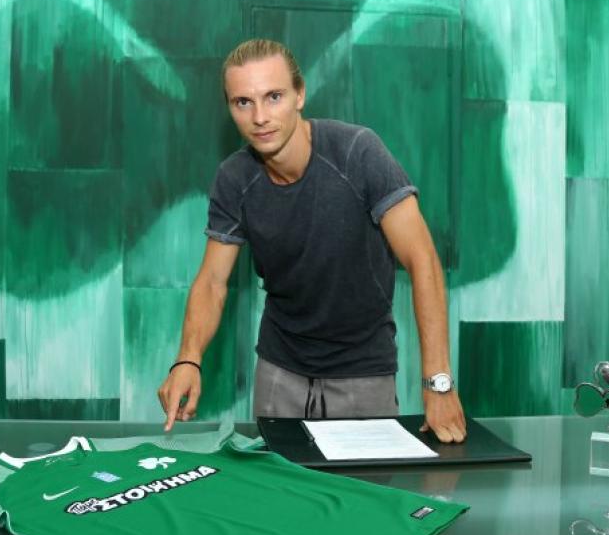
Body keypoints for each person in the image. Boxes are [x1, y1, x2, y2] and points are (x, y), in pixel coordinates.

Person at [157, 39, 467, 443]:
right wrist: (188, 359)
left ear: (300, 95)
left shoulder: (358, 152)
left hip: (363, 374)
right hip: (279, 373)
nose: (260, 117)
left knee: (362, 487)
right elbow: (213, 281)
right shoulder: (234, 178)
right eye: (243, 102)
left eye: (274, 97)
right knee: (274, 484)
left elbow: (422, 259)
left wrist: (438, 384)